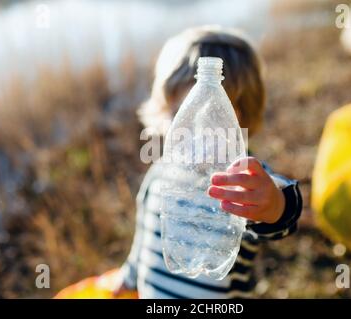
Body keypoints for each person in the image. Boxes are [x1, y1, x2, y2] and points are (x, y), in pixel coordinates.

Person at [115, 26, 303, 299]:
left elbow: (284, 215)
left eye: (212, 117)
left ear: (239, 118)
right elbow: (143, 240)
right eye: (181, 112)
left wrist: (273, 203)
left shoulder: (243, 181)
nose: (195, 130)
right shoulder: (159, 174)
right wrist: (129, 276)